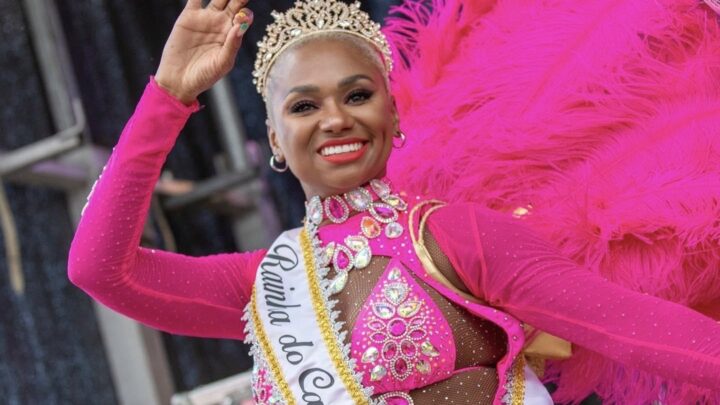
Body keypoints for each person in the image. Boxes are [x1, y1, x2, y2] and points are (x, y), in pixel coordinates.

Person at [67, 0, 720, 404]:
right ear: (273, 136)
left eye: (356, 95)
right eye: (303, 105)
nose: (334, 120)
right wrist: (168, 95)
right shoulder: (262, 285)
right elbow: (99, 268)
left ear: (391, 108)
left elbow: (642, 332)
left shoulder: (459, 238)